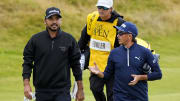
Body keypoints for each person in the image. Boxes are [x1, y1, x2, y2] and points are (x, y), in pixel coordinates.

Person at [22, 7, 84, 101]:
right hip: (41, 91)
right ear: (45, 21)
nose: (54, 21)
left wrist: (80, 89)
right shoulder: (35, 40)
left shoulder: (69, 40)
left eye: (57, 18)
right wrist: (26, 84)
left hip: (62, 91)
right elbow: (27, 62)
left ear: (61, 20)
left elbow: (76, 65)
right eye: (51, 19)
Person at [89, 21, 162, 101]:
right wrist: (99, 73)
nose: (117, 35)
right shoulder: (114, 53)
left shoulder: (145, 52)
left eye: (121, 33)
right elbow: (107, 75)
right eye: (118, 32)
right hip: (119, 97)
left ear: (129, 36)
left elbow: (158, 74)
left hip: (139, 97)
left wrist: (141, 77)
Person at [78, 0, 125, 101]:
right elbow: (84, 38)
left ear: (111, 9)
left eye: (104, 8)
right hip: (96, 65)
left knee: (112, 94)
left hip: (113, 67)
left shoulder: (119, 23)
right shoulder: (92, 18)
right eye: (99, 7)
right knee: (95, 89)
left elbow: (125, 44)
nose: (101, 10)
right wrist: (77, 53)